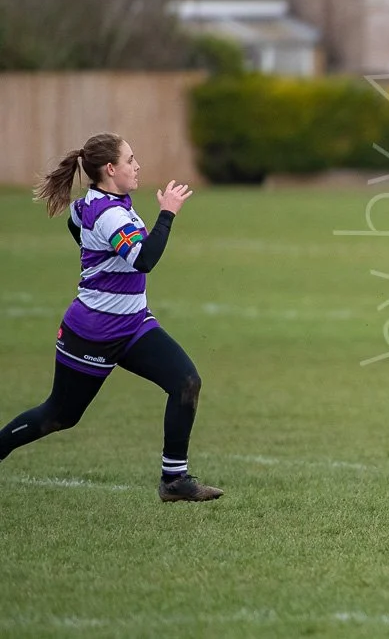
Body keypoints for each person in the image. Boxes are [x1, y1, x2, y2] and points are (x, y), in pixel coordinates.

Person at [0, 133, 222, 502]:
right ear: (111, 169)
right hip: (94, 332)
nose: (137, 166)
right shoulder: (109, 215)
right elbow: (144, 259)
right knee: (60, 415)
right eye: (130, 160)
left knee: (186, 382)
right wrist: (167, 213)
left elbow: (75, 223)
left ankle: (174, 481)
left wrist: (95, 257)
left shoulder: (100, 204)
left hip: (134, 325)